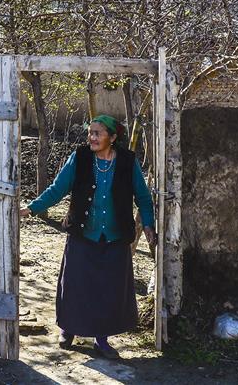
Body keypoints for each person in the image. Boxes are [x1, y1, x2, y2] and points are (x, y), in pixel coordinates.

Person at [19, 115, 156, 360]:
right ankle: (68, 329)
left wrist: (148, 225)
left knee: (108, 290)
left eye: (97, 133)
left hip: (115, 237)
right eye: (90, 132)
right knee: (76, 285)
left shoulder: (127, 162)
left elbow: (143, 198)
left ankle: (101, 340)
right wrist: (31, 208)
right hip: (83, 234)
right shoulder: (79, 158)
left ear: (112, 138)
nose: (91, 137)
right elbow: (58, 189)